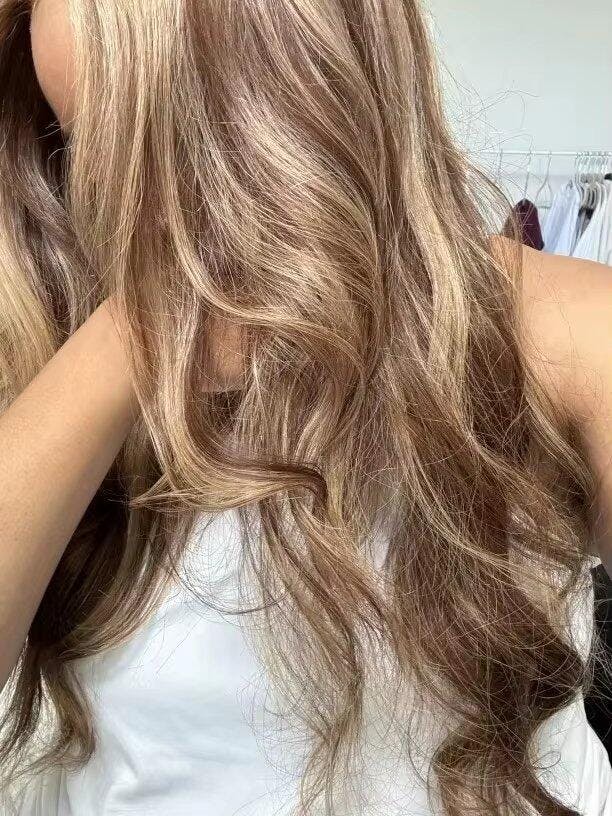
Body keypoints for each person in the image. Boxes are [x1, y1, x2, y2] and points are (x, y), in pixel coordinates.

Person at [0, 0, 611, 814]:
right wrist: (139, 325)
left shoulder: (563, 329)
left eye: (176, 146)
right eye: (91, 151)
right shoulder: (54, 339)